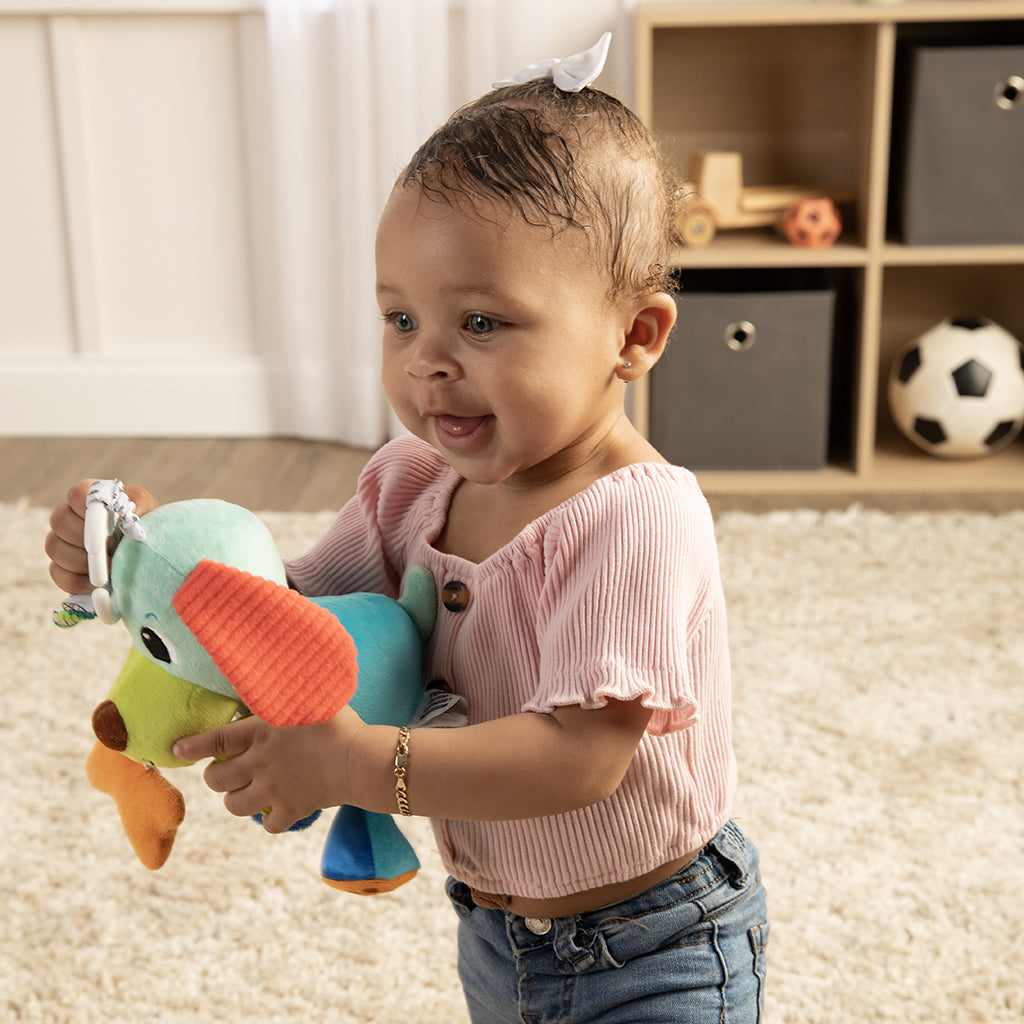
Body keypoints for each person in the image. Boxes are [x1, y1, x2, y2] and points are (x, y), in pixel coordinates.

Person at [45, 35, 768, 1024]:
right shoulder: (411, 484)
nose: (427, 361)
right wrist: (141, 562)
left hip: (658, 941)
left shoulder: (637, 518)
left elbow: (579, 759)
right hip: (497, 933)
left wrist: (359, 763)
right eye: (399, 320)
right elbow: (283, 619)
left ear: (633, 337)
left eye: (481, 323)